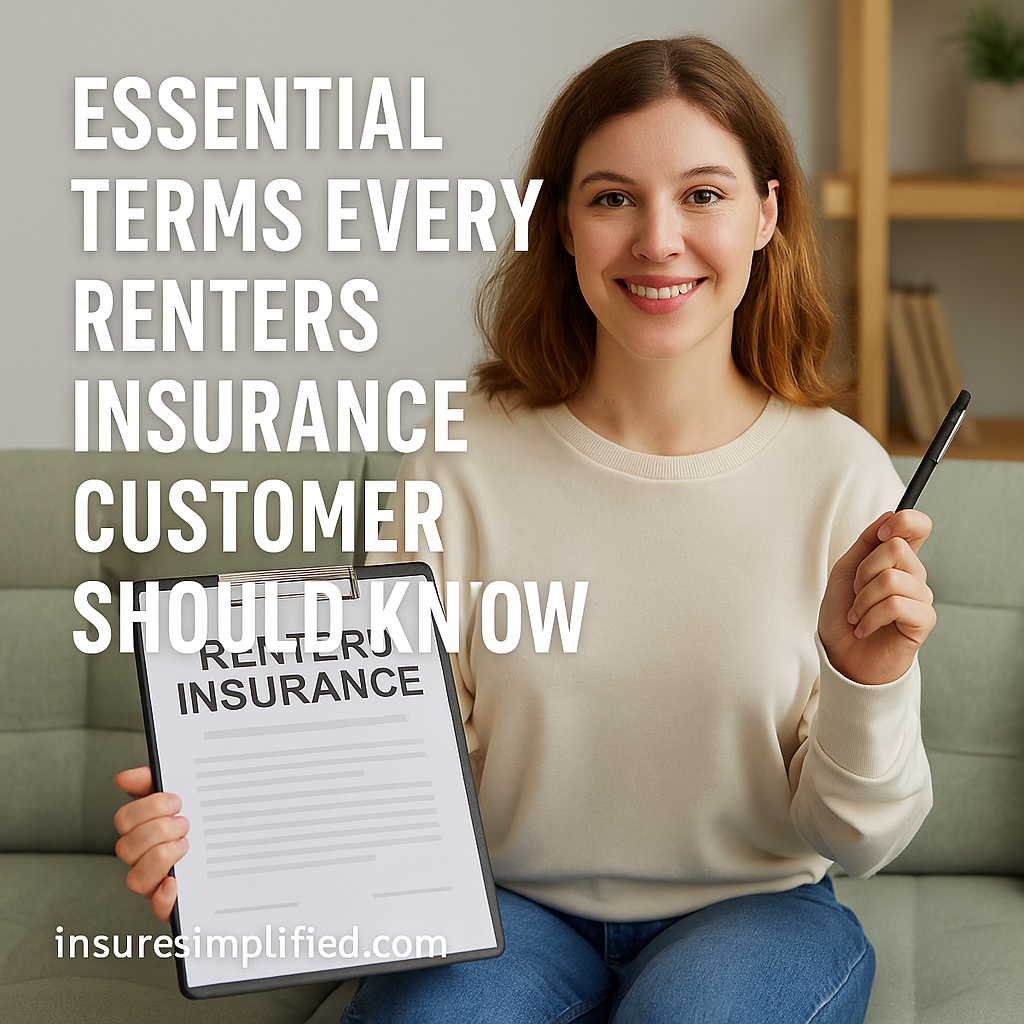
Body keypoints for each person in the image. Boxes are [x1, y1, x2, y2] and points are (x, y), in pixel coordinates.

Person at [114, 36, 935, 1023]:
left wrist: (865, 680)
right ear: (562, 226)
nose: (658, 239)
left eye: (703, 195)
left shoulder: (840, 470)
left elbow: (859, 837)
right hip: (502, 912)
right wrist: (232, 842)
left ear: (767, 213)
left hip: (755, 912)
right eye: (611, 197)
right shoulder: (458, 455)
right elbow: (402, 759)